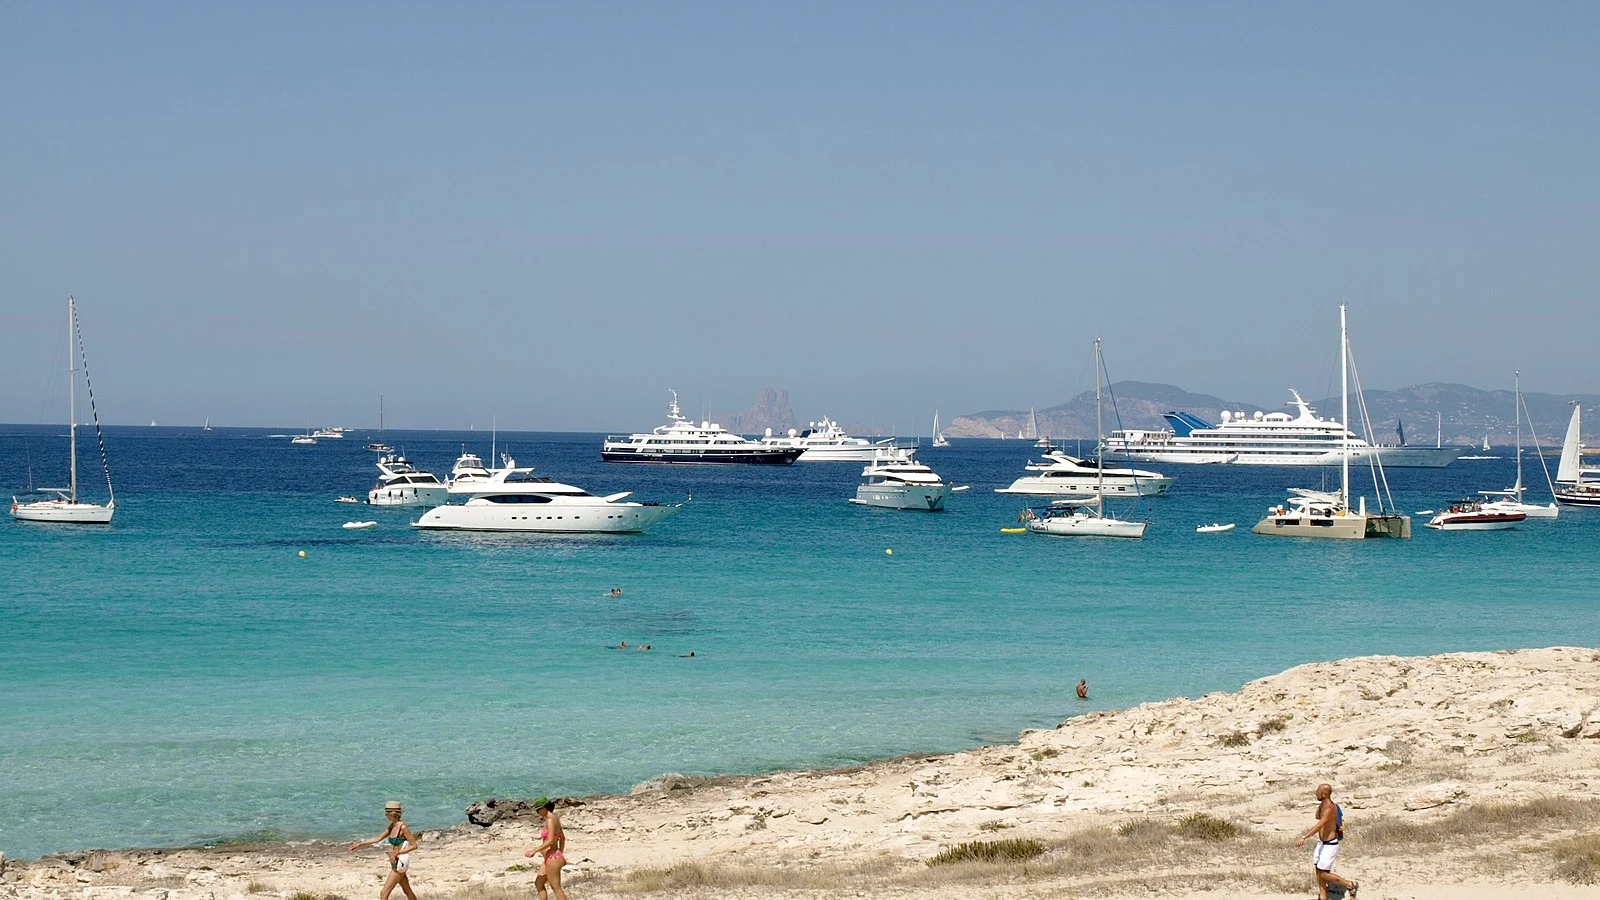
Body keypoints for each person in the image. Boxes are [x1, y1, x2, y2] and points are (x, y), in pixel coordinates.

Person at [1295, 783, 1357, 899]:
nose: (1315, 793)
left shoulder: (1329, 808)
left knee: (1323, 873)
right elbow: (1317, 816)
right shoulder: (1323, 805)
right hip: (1321, 843)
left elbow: (1319, 825)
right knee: (1318, 871)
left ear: (1323, 794)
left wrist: (1304, 837)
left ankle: (1350, 884)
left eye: (1317, 792)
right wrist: (1320, 804)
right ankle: (1323, 897)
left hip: (1330, 845)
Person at [348, 800, 418, 900]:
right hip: (394, 862)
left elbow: (414, 845)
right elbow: (378, 839)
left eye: (387, 813)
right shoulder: (392, 826)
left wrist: (398, 852)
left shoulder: (403, 827)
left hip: (399, 863)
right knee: (407, 891)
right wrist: (360, 844)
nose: (385, 815)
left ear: (392, 813)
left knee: (384, 894)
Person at [523, 796, 568, 900]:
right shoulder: (554, 818)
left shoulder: (550, 820)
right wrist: (561, 852)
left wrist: (534, 850)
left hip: (553, 858)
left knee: (556, 888)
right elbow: (562, 838)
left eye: (538, 810)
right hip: (551, 857)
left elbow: (551, 840)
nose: (538, 813)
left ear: (543, 808)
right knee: (539, 883)